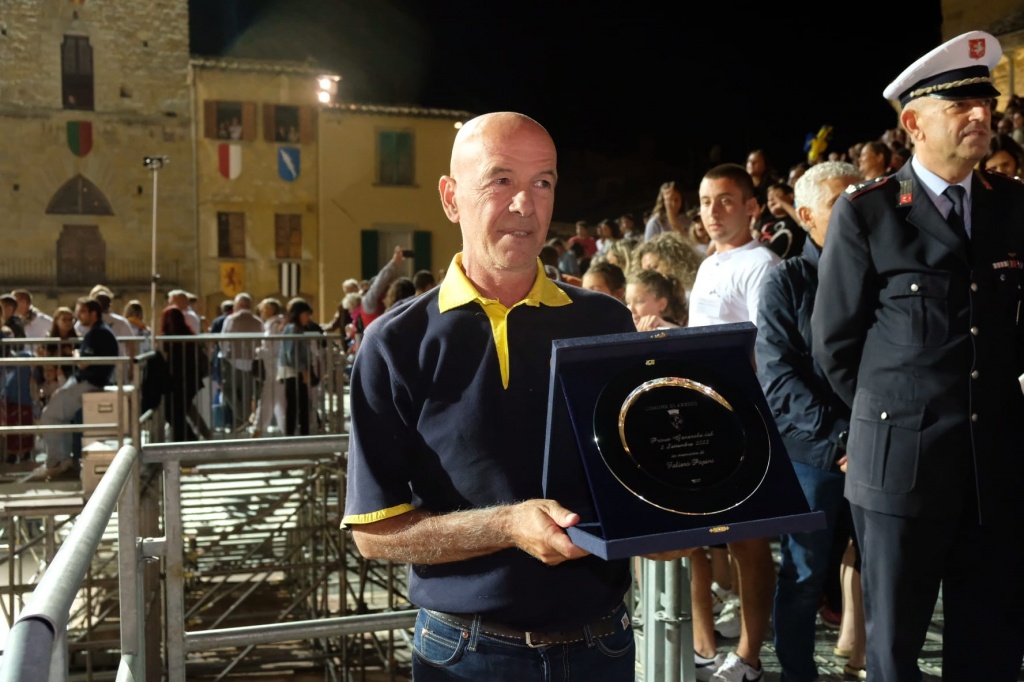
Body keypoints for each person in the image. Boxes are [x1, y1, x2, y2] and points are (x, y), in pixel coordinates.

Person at [343, 112, 638, 682]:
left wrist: (674, 517)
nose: (525, 205)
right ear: (451, 198)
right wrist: (505, 527)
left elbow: (632, 478)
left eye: (543, 182)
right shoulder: (395, 343)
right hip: (466, 655)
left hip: (605, 645)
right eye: (501, 180)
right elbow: (374, 535)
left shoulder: (608, 321)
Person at [811, 30, 1024, 681]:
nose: (982, 116)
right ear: (913, 123)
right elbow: (835, 345)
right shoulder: (870, 214)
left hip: (995, 471)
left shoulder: (1012, 205)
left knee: (990, 648)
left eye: (985, 103)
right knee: (896, 653)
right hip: (901, 471)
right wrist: (895, 423)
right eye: (961, 106)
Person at [755, 161, 864, 681]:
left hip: (878, 452)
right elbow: (778, 378)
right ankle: (798, 674)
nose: (855, 209)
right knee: (802, 577)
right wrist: (842, 439)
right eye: (840, 200)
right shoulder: (787, 281)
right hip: (815, 458)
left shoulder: (882, 273)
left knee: (879, 575)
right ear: (804, 215)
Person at [688, 162, 782, 682]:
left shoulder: (761, 264)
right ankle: (707, 646)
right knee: (707, 538)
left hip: (742, 422)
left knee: (748, 543)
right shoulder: (708, 265)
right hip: (702, 419)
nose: (712, 211)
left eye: (725, 200)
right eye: (705, 201)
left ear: (752, 206)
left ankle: (748, 657)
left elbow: (763, 352)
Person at [37, 297, 118, 477]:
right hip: (85, 380)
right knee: (58, 416)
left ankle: (56, 462)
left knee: (50, 416)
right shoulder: (97, 332)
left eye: (82, 312)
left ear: (93, 313)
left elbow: (83, 363)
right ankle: (63, 460)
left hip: (88, 382)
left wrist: (75, 353)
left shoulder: (98, 334)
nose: (77, 316)